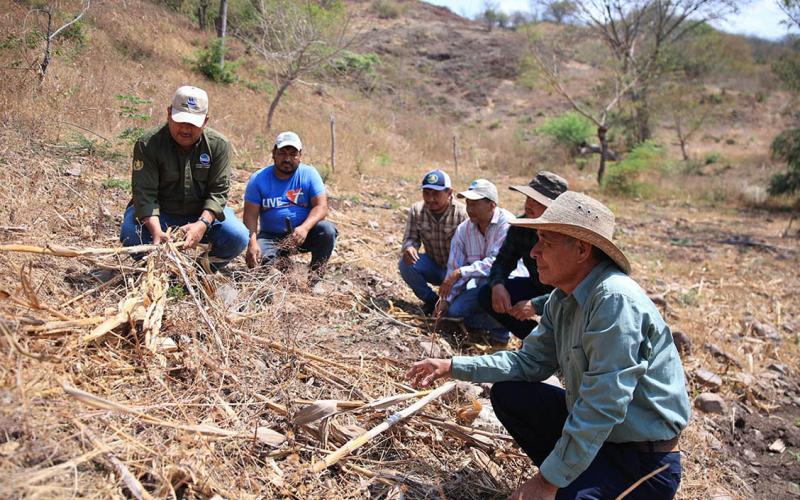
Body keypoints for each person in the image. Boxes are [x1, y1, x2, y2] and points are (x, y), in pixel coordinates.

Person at [407, 191, 691, 499]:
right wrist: (452, 366)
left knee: (560, 490)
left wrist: (546, 481)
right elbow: (528, 362)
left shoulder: (614, 300)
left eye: (546, 241)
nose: (534, 252)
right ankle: (569, 476)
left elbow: (603, 405)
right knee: (510, 393)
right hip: (601, 439)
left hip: (640, 463)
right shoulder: (563, 298)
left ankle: (566, 482)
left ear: (581, 249)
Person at [120, 86, 249, 270]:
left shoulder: (219, 146)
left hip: (200, 213)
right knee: (131, 234)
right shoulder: (148, 144)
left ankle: (200, 270)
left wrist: (202, 224)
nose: (186, 129)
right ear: (169, 113)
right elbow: (144, 193)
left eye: (193, 124)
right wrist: (156, 231)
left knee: (237, 236)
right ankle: (156, 269)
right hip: (160, 214)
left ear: (205, 121)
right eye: (180, 121)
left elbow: (218, 192)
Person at [478, 171, 568, 339]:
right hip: (537, 284)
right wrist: (497, 285)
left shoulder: (567, 237)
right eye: (528, 197)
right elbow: (503, 261)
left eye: (536, 201)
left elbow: (574, 291)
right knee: (486, 294)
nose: (529, 203)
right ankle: (535, 339)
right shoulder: (520, 227)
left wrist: (536, 305)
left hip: (565, 296)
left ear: (553, 208)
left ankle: (558, 343)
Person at [243, 131, 336, 279]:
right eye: (282, 153)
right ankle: (283, 267)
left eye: (293, 154)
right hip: (271, 237)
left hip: (303, 235)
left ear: (300, 155)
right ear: (273, 153)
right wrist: (252, 243)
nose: (287, 159)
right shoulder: (258, 179)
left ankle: (315, 278)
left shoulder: (309, 174)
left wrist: (304, 228)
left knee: (327, 231)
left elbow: (321, 207)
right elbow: (250, 215)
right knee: (263, 264)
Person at [436, 179, 518, 344]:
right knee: (455, 311)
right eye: (468, 204)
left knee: (490, 290)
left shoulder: (508, 224)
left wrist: (461, 272)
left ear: (492, 205)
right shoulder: (464, 230)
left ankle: (503, 330)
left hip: (508, 283)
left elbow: (496, 262)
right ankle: (495, 322)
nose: (469, 209)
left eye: (474, 204)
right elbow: (455, 266)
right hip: (481, 286)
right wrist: (446, 300)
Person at [399, 169, 467, 315]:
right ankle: (432, 301)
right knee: (406, 264)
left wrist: (456, 275)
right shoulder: (417, 210)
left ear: (449, 193)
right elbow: (410, 238)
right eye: (426, 193)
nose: (430, 199)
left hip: (457, 273)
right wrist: (409, 247)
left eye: (436, 194)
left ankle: (450, 303)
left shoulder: (462, 214)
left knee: (458, 309)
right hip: (434, 266)